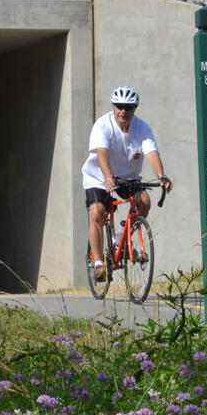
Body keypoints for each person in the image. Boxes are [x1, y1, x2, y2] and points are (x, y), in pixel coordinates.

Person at [82, 86, 173, 280]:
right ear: (113, 106)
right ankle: (98, 264)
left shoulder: (142, 128)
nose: (123, 110)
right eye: (119, 106)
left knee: (144, 202)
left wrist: (161, 176)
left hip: (127, 177)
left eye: (128, 107)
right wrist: (107, 176)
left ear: (135, 109)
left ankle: (120, 241)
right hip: (99, 176)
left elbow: (151, 152)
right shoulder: (102, 125)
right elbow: (102, 152)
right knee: (97, 211)